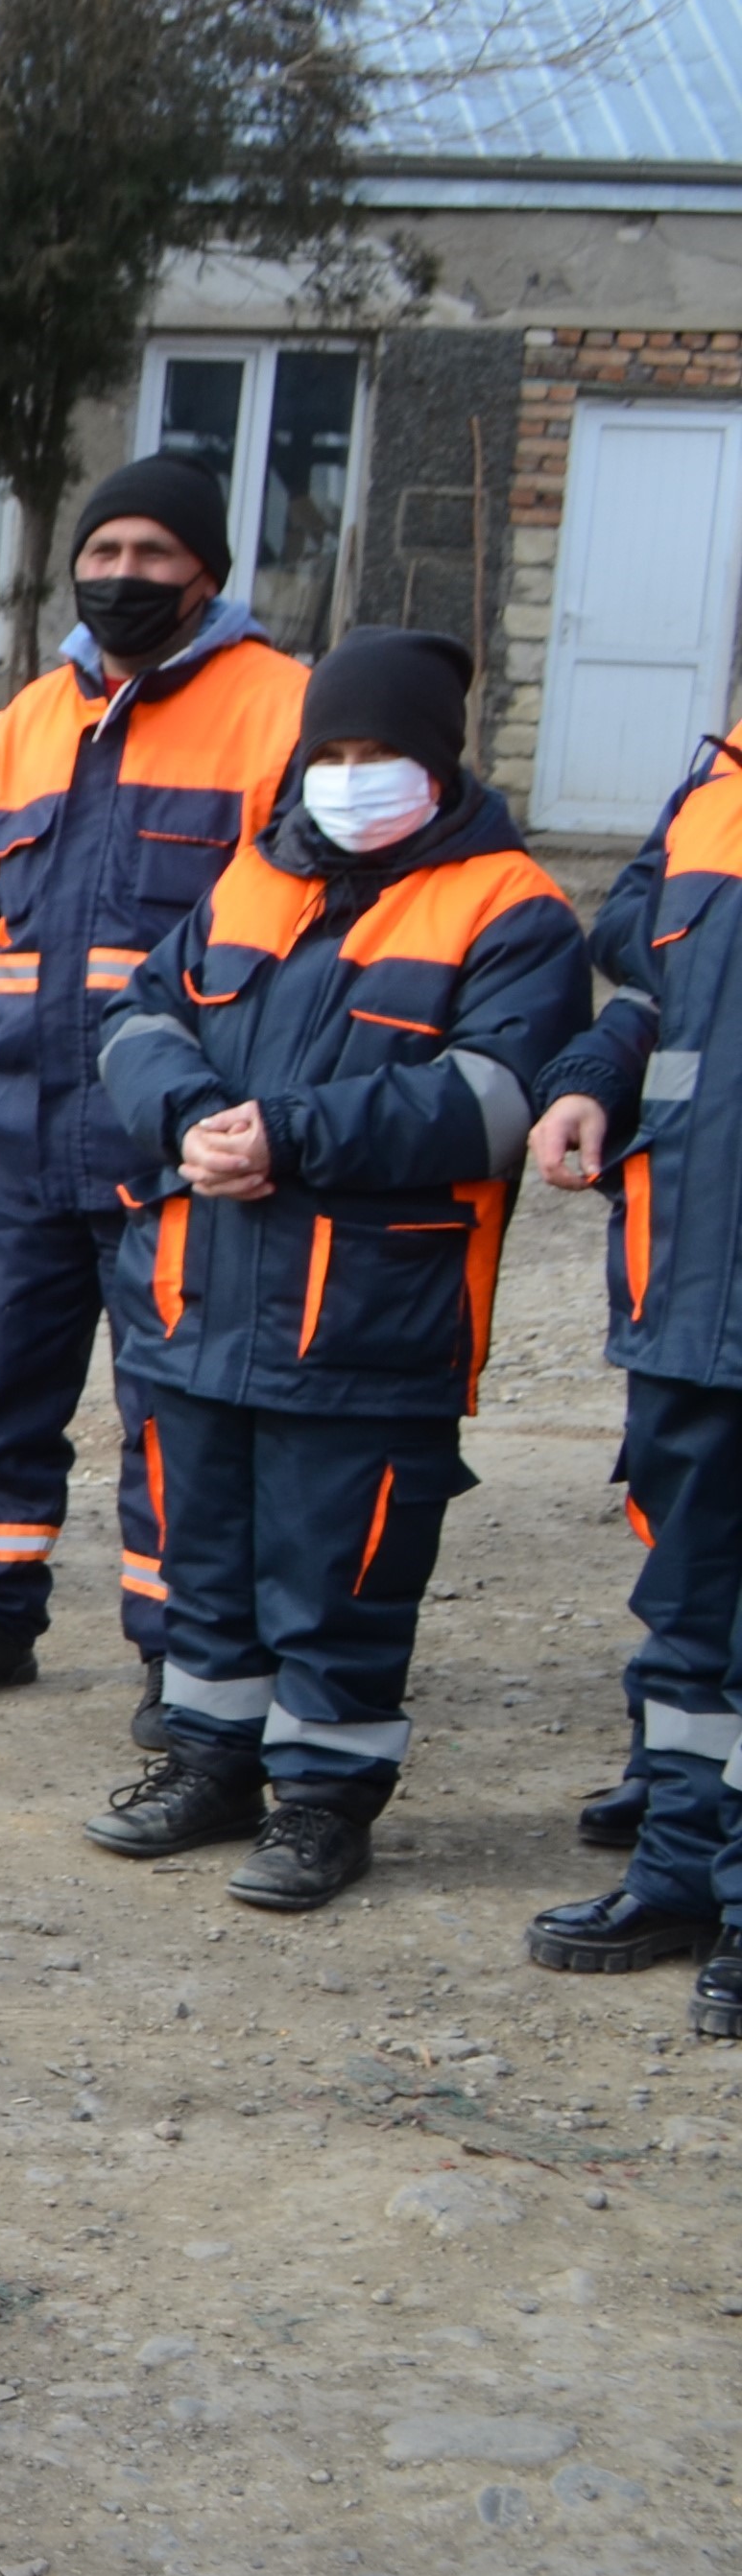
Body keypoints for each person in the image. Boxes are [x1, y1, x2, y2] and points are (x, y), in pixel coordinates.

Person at [83, 628, 581, 1910]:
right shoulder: (254, 873)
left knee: (338, 1574)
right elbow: (136, 1015)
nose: (350, 776)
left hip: (366, 1321)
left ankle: (321, 1803)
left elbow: (492, 1100)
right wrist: (187, 1114)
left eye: (378, 753)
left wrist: (287, 1135)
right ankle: (209, 1763)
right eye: (332, 752)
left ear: (437, 764)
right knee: (205, 1559)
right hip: (200, 1299)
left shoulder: (511, 906)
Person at [0, 454, 311, 1730]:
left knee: (173, 1404)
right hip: (5, 1128)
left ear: (206, 574)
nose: (123, 576)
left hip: (174, 1133)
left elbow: (303, 939)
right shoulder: (24, 720)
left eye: (152, 555)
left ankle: (178, 1652)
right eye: (103, 553)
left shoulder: (282, 709)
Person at [521, 708, 742, 2026]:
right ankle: (677, 1872)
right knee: (689, 1607)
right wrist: (591, 1077)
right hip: (692, 1284)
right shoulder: (716, 786)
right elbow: (653, 981)